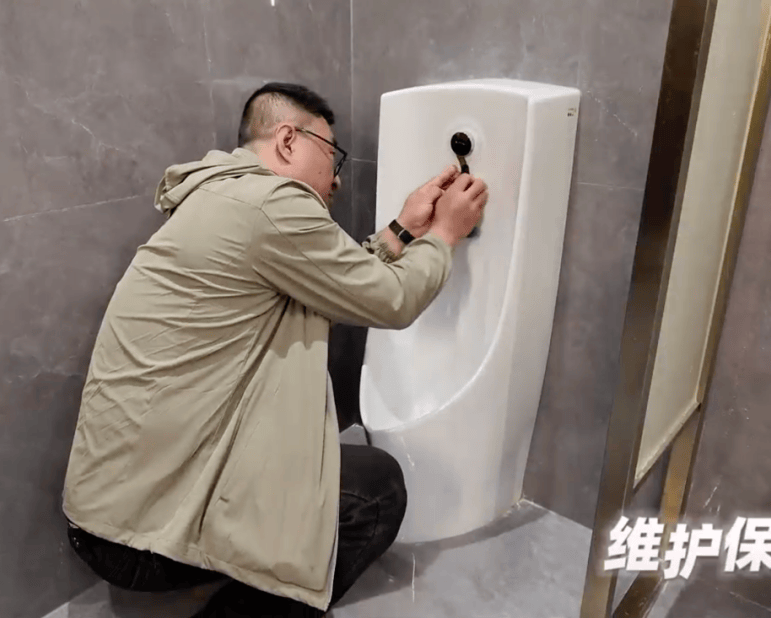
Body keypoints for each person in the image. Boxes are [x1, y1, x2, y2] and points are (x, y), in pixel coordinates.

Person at [61, 82, 488, 617]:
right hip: (136, 536)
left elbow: (328, 280)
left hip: (109, 510)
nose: (336, 178)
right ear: (288, 140)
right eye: (332, 154)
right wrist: (446, 234)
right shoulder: (271, 204)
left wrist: (402, 230)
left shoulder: (223, 196)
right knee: (376, 492)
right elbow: (393, 300)